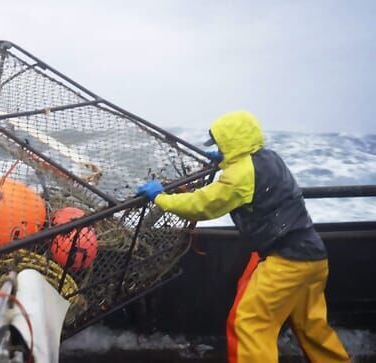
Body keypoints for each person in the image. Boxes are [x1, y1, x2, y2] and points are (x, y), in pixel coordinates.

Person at [137, 111, 350, 363]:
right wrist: (225, 160)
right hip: (314, 257)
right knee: (311, 326)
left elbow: (203, 204)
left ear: (230, 143)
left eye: (220, 145)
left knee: (250, 323)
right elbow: (244, 175)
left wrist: (161, 197)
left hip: (286, 262)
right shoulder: (270, 158)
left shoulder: (239, 175)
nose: (218, 148)